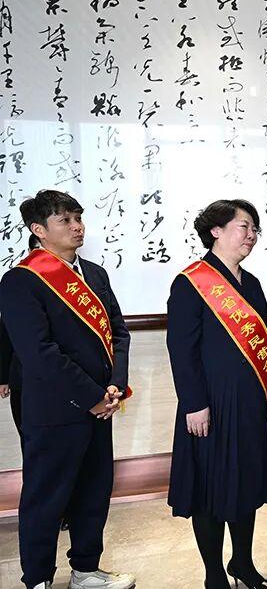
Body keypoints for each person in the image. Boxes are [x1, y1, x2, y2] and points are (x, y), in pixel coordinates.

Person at [0, 190, 134, 589]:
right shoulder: (20, 280)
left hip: (101, 403)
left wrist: (115, 384)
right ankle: (38, 579)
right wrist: (91, 396)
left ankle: (86, 570)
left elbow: (118, 332)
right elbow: (38, 353)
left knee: (95, 489)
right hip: (52, 408)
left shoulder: (94, 273)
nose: (77, 227)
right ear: (39, 230)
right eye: (65, 220)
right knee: (47, 495)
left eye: (78, 218)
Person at [166, 199, 267, 589]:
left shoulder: (253, 283)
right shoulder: (191, 282)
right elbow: (181, 350)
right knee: (210, 491)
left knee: (246, 484)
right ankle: (213, 574)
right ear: (216, 230)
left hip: (248, 402)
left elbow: (263, 341)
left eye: (254, 229)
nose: (251, 235)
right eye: (243, 227)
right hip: (209, 404)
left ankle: (242, 563)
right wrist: (194, 403)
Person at [0, 234, 40, 439]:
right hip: (23, 377)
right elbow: (5, 334)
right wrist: (3, 377)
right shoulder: (17, 281)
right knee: (28, 436)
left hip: (63, 379)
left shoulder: (74, 282)